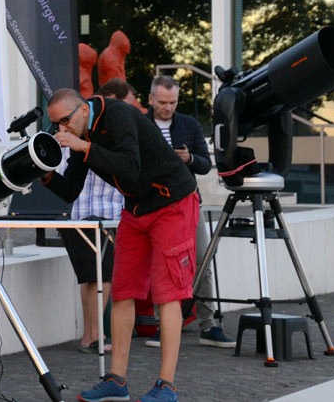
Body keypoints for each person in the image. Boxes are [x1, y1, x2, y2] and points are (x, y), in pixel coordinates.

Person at [43, 88, 199, 402]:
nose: (61, 130)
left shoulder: (118, 114)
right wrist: (42, 172)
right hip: (137, 209)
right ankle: (117, 380)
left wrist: (83, 146)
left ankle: (166, 387)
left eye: (64, 122)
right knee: (124, 288)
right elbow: (72, 189)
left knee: (169, 294)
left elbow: (129, 166)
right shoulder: (80, 133)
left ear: (83, 109)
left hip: (173, 201)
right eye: (56, 125)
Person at [144, 75, 234, 349]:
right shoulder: (140, 124)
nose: (167, 108)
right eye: (162, 102)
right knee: (163, 267)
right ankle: (163, 327)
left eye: (172, 102)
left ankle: (209, 325)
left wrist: (189, 159)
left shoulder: (190, 125)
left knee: (202, 262)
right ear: (151, 99)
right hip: (155, 204)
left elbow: (206, 164)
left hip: (187, 202)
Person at [56, 83, 128, 354]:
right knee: (99, 276)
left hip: (94, 213)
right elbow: (67, 170)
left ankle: (90, 335)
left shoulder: (92, 134)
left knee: (94, 277)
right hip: (94, 213)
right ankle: (94, 336)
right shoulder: (81, 134)